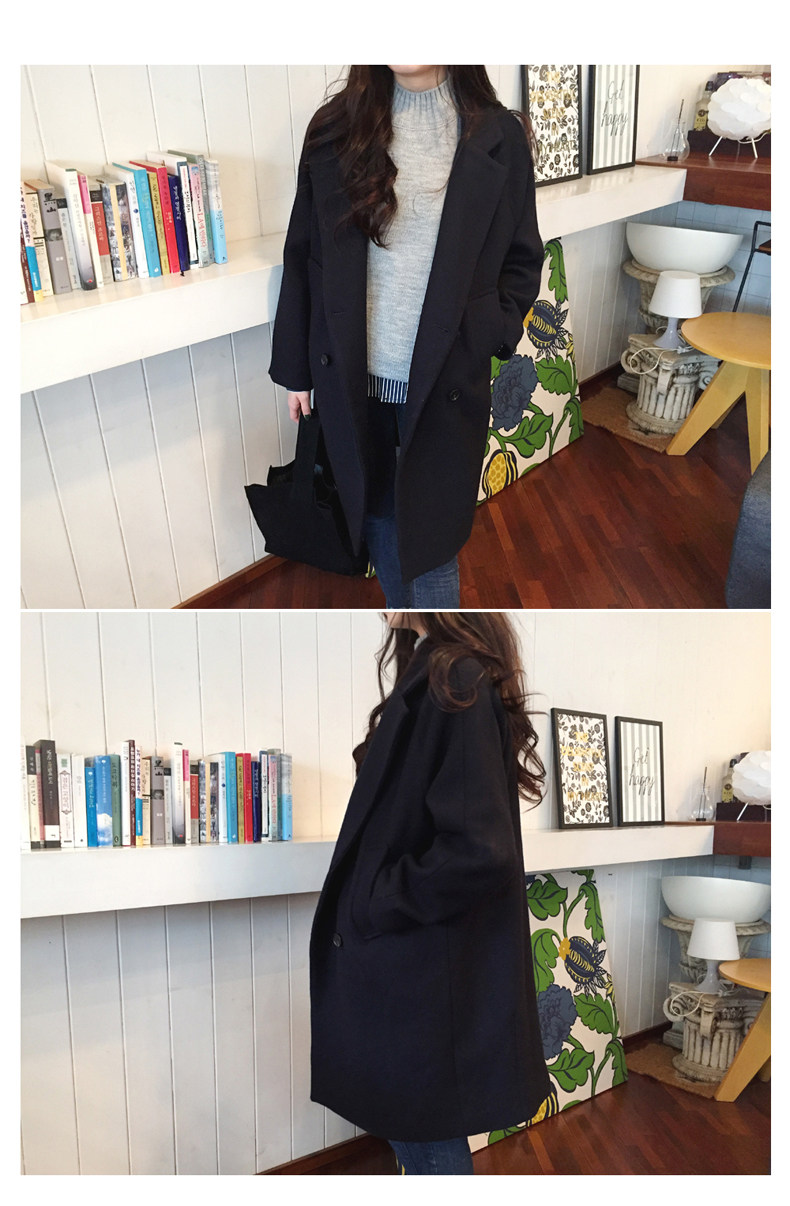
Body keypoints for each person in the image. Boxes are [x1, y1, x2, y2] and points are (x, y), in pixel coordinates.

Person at [269, 66, 543, 607]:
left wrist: (488, 331)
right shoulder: (334, 128)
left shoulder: (499, 137)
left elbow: (522, 258)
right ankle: (410, 629)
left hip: (445, 381)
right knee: (375, 517)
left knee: (432, 541)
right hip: (353, 379)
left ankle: (437, 648)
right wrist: (296, 370)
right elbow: (303, 253)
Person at [308, 611, 552, 1175]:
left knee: (426, 1144)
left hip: (418, 964)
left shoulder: (455, 675)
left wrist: (375, 899)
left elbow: (478, 849)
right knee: (419, 1139)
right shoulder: (435, 671)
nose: (382, 601)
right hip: (414, 961)